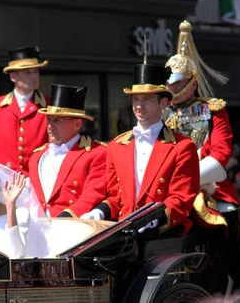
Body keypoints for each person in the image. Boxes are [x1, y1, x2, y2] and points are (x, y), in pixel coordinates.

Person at [83, 63, 200, 236]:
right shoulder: (116, 146)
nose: (139, 105)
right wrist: (99, 211)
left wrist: (152, 221)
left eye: (147, 99)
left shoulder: (182, 147)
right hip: (124, 233)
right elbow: (116, 197)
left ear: (164, 103)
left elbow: (180, 199)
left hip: (163, 234)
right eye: (136, 99)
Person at [163, 20, 240, 228]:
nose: (172, 87)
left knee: (228, 216)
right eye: (169, 82)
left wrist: (186, 180)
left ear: (192, 83)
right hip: (165, 185)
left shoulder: (213, 109)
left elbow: (220, 153)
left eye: (178, 82)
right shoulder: (160, 111)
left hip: (208, 185)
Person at [28, 84, 107, 218]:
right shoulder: (37, 156)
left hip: (74, 226)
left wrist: (66, 217)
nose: (50, 126)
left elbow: (92, 194)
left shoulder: (96, 153)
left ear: (77, 124)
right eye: (49, 120)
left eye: (57, 120)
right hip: (39, 228)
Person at [0, 46, 49, 176]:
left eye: (36, 72)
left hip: (39, 183)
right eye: (28, 73)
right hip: (4, 184)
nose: (35, 77)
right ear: (13, 76)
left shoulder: (50, 106)